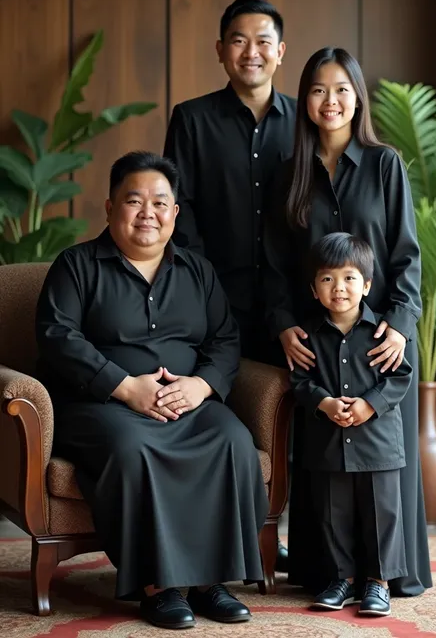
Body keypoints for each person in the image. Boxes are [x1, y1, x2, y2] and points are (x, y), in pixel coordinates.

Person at [35, 151, 269, 631]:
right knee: (134, 448)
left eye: (160, 202)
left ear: (175, 212)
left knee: (233, 441)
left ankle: (211, 582)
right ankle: (158, 587)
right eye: (134, 200)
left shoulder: (198, 271)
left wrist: (201, 386)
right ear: (109, 206)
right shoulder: (76, 266)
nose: (148, 213)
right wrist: (123, 387)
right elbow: (58, 337)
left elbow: (224, 340)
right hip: (100, 405)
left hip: (187, 403)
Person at [264, 46, 432, 597]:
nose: (330, 101)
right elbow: (276, 264)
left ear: (357, 97)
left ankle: (382, 576)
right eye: (317, 90)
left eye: (341, 89)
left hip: (380, 339)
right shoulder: (290, 173)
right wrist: (286, 323)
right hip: (318, 344)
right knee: (327, 470)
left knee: (383, 468)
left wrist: (402, 327)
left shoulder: (384, 164)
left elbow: (407, 255)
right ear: (304, 100)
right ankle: (330, 575)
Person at [164, 0, 296, 569]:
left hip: (290, 304)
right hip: (212, 302)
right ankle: (211, 541)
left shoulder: (307, 121)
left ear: (281, 52)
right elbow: (179, 208)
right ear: (220, 51)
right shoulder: (192, 119)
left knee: (287, 418)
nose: (252, 51)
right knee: (216, 412)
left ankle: (278, 538)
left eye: (263, 40)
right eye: (238, 40)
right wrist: (203, 287)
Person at [290, 232, 412, 616]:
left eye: (349, 278)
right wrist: (324, 403)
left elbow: (399, 378)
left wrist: (369, 405)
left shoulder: (382, 335)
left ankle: (377, 583)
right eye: (327, 279)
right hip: (327, 443)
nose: (338, 288)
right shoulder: (308, 336)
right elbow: (299, 381)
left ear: (367, 284)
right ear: (313, 289)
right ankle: (340, 579)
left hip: (377, 443)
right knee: (332, 513)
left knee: (381, 515)